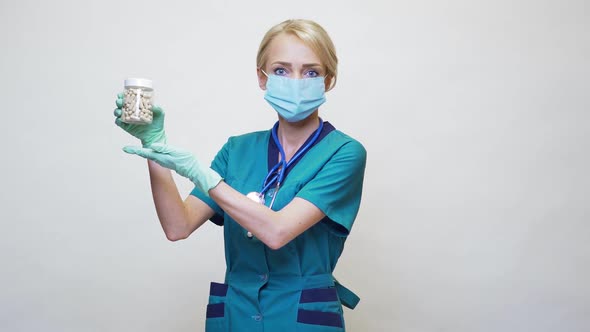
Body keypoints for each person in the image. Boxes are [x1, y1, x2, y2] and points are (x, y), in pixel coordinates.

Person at [114, 19, 366, 332]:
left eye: (311, 71)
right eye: (281, 70)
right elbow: (177, 226)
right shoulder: (237, 150)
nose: (296, 81)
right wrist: (155, 149)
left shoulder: (344, 153)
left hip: (300, 318)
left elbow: (277, 232)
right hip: (237, 314)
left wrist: (204, 176)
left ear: (329, 80)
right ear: (262, 78)